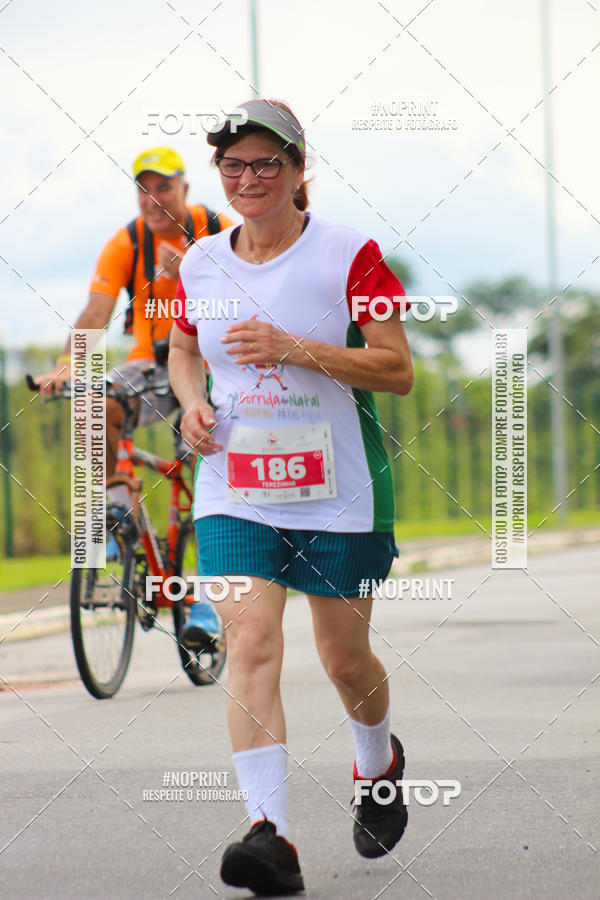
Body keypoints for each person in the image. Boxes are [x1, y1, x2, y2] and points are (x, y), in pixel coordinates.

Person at [168, 99, 414, 895]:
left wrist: (294, 348)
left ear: (301, 170)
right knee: (250, 643)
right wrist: (191, 405)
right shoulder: (199, 263)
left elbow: (397, 369)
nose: (250, 178)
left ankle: (377, 763)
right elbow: (181, 352)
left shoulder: (352, 254)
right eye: (234, 165)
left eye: (267, 163)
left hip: (337, 485)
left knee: (344, 660)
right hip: (235, 486)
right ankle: (267, 834)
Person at [35, 146, 234, 639]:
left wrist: (190, 267)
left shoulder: (220, 226)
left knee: (210, 477)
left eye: (163, 187)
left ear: (185, 189)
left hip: (215, 368)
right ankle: (118, 516)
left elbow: (252, 293)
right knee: (96, 404)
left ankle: (206, 605)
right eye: (143, 189)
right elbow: (96, 311)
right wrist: (66, 363)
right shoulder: (127, 241)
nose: (152, 198)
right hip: (152, 364)